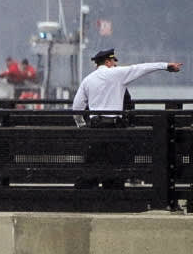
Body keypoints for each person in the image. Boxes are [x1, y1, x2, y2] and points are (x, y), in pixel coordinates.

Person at [71, 48, 182, 189]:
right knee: (116, 164)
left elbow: (77, 107)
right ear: (108, 62)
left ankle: (83, 197)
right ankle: (114, 195)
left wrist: (82, 126)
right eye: (113, 62)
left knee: (93, 163)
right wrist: (165, 66)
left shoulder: (87, 80)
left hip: (96, 128)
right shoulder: (118, 74)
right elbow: (141, 68)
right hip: (115, 128)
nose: (116, 65)